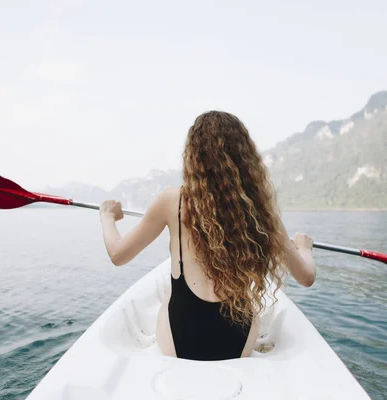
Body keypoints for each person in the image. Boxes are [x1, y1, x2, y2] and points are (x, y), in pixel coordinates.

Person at [99, 110, 316, 361]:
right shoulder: (260, 209)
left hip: (180, 343)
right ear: (245, 158)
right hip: (236, 343)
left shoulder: (173, 201)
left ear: (194, 157)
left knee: (169, 296)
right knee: (245, 303)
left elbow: (118, 254)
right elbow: (306, 276)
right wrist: (303, 248)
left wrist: (107, 217)